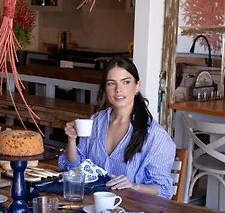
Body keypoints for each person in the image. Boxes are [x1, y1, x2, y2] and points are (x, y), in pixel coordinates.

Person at [59, 56, 175, 199]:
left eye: (126, 82)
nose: (118, 90)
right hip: (92, 205)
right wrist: (71, 139)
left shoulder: (155, 135)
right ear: (105, 88)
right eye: (111, 83)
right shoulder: (96, 122)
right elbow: (74, 168)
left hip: (131, 208)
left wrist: (134, 186)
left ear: (137, 86)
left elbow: (162, 189)